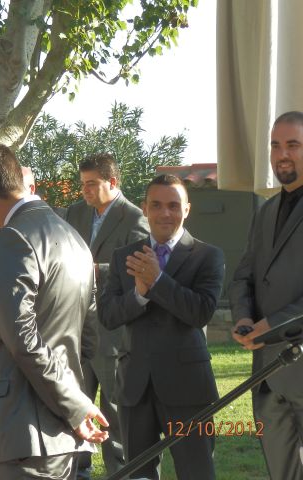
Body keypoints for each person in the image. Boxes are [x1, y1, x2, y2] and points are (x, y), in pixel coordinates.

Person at [0, 143, 108, 479]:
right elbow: (89, 336)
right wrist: (72, 403)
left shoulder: (11, 239)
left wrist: (74, 406)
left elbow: (21, 338)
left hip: (24, 431)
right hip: (62, 431)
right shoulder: (75, 238)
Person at [99, 174, 224, 480]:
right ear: (144, 208)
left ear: (187, 209)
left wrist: (157, 281)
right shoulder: (122, 258)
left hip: (188, 387)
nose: (165, 213)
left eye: (173, 205)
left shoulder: (208, 256)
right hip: (134, 387)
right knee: (138, 474)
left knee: (196, 472)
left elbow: (200, 312)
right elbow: (109, 316)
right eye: (156, 205)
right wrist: (139, 294)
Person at [64, 153, 148, 476]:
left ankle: (122, 473)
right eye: (82, 184)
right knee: (75, 411)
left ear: (112, 182)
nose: (84, 190)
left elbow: (132, 271)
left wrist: (86, 269)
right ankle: (77, 472)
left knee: (113, 416)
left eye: (91, 184)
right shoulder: (75, 214)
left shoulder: (134, 219)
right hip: (76, 331)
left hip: (112, 335)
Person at [230, 111, 303, 479]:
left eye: (293, 144)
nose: (282, 154)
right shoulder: (265, 211)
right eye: (276, 145)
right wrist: (244, 317)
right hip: (268, 373)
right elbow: (244, 276)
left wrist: (270, 326)